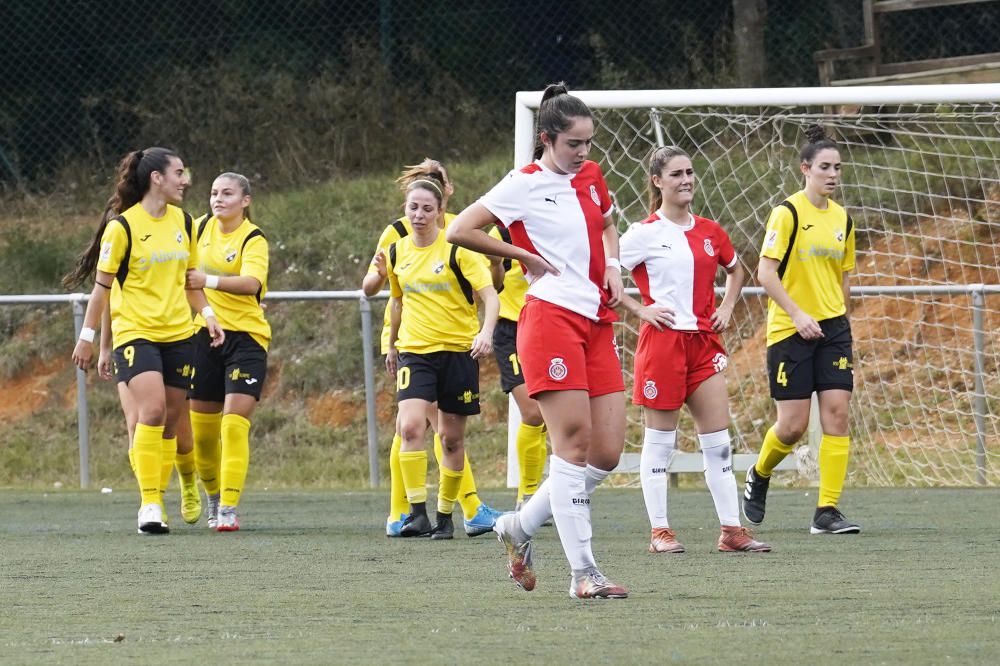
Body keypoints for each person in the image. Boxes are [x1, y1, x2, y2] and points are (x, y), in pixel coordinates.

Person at [448, 83, 629, 599]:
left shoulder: (591, 177)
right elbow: (460, 229)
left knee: (607, 453)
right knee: (571, 446)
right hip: (549, 321)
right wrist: (520, 255)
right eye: (574, 143)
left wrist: (613, 266)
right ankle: (583, 574)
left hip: (596, 323)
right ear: (548, 139)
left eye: (589, 142)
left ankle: (518, 527)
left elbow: (609, 226)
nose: (584, 153)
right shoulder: (522, 183)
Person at [618, 146, 771, 554]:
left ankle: (731, 531)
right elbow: (603, 274)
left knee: (719, 444)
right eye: (676, 174)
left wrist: (727, 305)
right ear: (657, 181)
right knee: (661, 443)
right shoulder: (642, 233)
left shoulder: (710, 231)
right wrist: (640, 309)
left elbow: (737, 269)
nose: (686, 179)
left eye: (690, 172)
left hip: (703, 345)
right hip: (663, 345)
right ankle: (660, 532)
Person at [68, 147, 224, 534]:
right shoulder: (121, 227)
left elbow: (190, 281)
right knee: (150, 413)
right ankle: (151, 504)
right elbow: (102, 290)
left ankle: (177, 486)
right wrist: (89, 339)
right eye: (179, 173)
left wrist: (208, 316)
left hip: (178, 334)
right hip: (136, 333)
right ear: (157, 178)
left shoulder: (184, 223)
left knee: (171, 423)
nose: (185, 181)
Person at [362, 159, 503, 538]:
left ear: (442, 210)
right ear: (405, 208)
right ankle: (414, 513)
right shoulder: (395, 247)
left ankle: (446, 517)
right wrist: (391, 345)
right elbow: (391, 297)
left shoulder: (459, 244)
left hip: (458, 352)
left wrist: (485, 333)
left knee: (450, 437)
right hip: (414, 352)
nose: (420, 214)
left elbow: (491, 294)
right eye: (414, 207)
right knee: (409, 427)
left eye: (428, 207)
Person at [742, 124, 860, 535]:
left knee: (837, 415)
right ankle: (759, 473)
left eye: (838, 168)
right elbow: (765, 274)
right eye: (825, 167)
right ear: (805, 169)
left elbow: (844, 275)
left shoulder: (843, 219)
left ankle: (826, 511)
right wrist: (797, 314)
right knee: (791, 426)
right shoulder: (787, 213)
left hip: (832, 330)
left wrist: (840, 316)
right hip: (790, 329)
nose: (833, 175)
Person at [184, 172, 270, 532]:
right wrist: (207, 312)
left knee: (233, 426)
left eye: (228, 193)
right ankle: (214, 498)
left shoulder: (253, 237)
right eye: (214, 192)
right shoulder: (198, 229)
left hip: (247, 340)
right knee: (202, 435)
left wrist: (211, 281)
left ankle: (230, 508)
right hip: (205, 336)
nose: (218, 199)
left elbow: (251, 284)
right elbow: (188, 279)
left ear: (245, 201)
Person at [97, 309, 202, 527]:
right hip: (131, 339)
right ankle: (152, 501)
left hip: (172, 339)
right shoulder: (113, 274)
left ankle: (189, 480)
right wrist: (104, 347)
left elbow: (191, 286)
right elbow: (106, 298)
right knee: (138, 422)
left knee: (181, 437)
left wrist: (210, 314)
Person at [486, 226, 547, 508]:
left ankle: (558, 491)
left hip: (549, 326)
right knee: (533, 413)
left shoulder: (551, 226)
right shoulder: (498, 234)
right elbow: (488, 286)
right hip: (511, 330)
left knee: (554, 417)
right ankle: (529, 495)